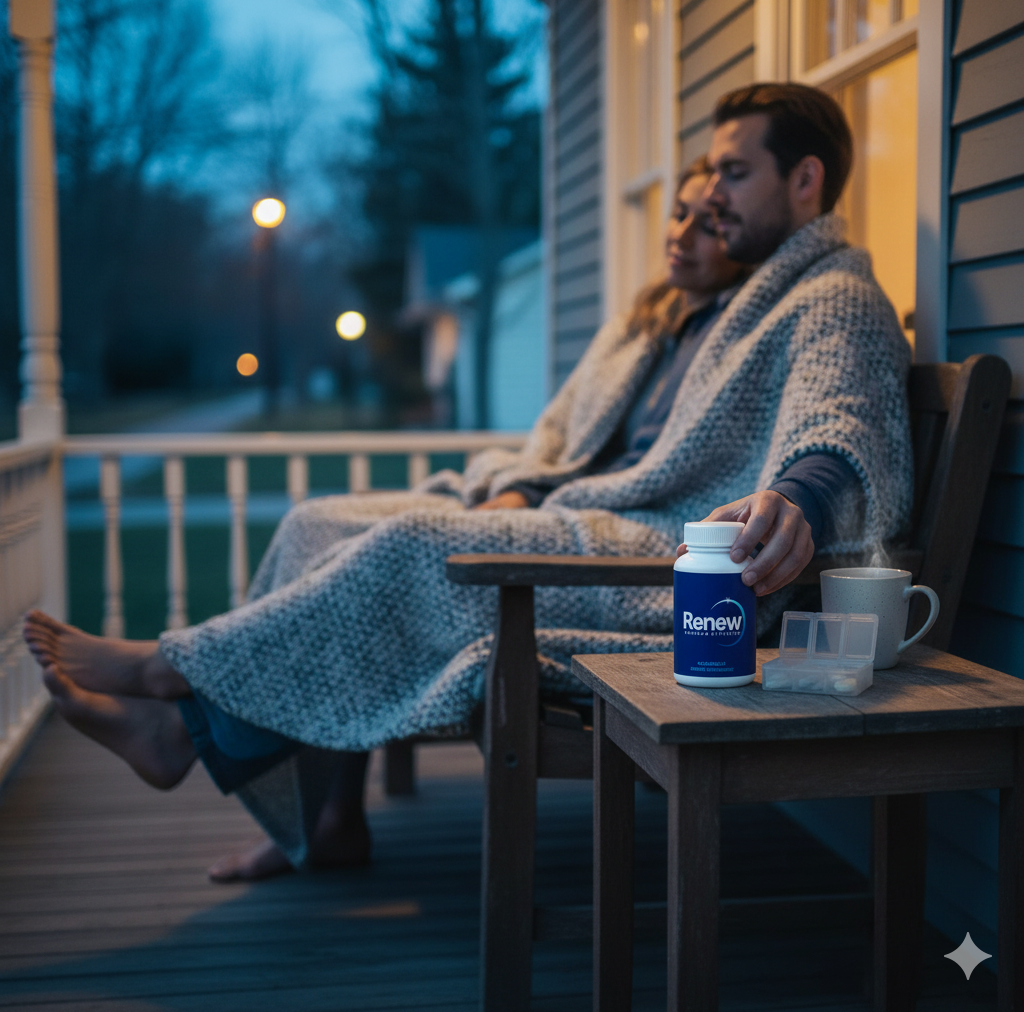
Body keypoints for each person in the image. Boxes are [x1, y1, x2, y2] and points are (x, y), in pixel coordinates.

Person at [23, 83, 913, 883]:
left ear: (806, 182)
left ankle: (178, 689)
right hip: (588, 521)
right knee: (317, 519)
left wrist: (800, 498)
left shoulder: (830, 293)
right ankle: (325, 816)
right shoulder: (718, 303)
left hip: (668, 564)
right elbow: (578, 441)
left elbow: (841, 419)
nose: (709, 195)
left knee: (418, 549)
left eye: (733, 172)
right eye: (706, 175)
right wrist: (523, 486)